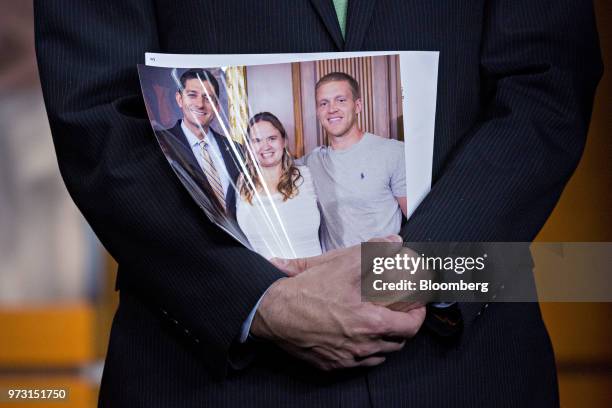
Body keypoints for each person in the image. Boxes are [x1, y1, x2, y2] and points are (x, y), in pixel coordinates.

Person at [34, 0, 602, 407]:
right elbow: (97, 112)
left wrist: (418, 273)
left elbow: (546, 83)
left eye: (339, 100)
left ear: (356, 104)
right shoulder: (296, 169)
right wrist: (258, 302)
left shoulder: (379, 154)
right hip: (209, 370)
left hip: (466, 357)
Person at [301, 72, 407, 251]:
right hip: (334, 273)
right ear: (318, 112)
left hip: (382, 269)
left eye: (340, 100)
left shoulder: (393, 152)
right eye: (323, 103)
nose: (331, 109)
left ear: (357, 106)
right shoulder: (312, 162)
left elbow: (420, 218)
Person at [156, 68, 242, 221]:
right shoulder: (160, 143)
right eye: (192, 95)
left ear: (217, 106)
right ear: (180, 99)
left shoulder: (237, 150)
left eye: (208, 98)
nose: (200, 104)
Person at [237, 112, 322, 259]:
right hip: (261, 279)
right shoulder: (242, 183)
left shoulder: (306, 175)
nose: (265, 146)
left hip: (310, 276)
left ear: (284, 141)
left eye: (272, 138)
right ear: (249, 147)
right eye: (257, 140)